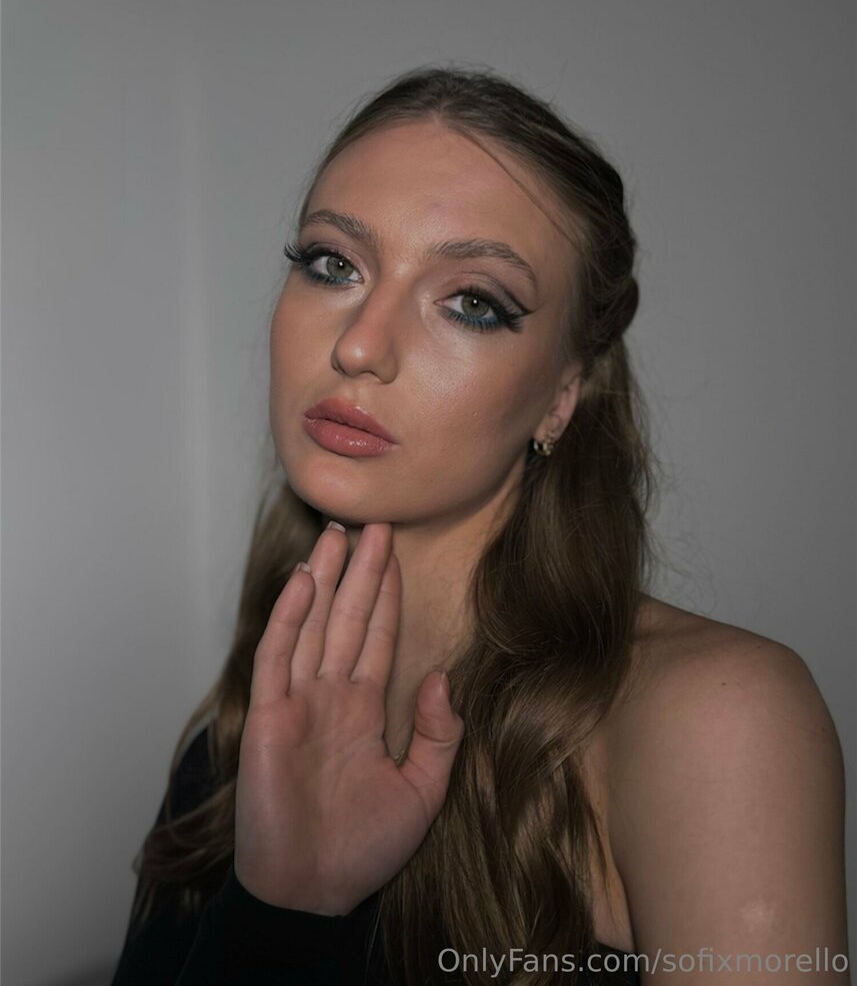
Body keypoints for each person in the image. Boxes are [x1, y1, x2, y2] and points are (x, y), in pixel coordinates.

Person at [110, 66, 849, 986]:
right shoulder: (238, 729)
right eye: (333, 264)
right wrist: (280, 913)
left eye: (471, 302)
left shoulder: (715, 718)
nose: (358, 345)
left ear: (561, 396)